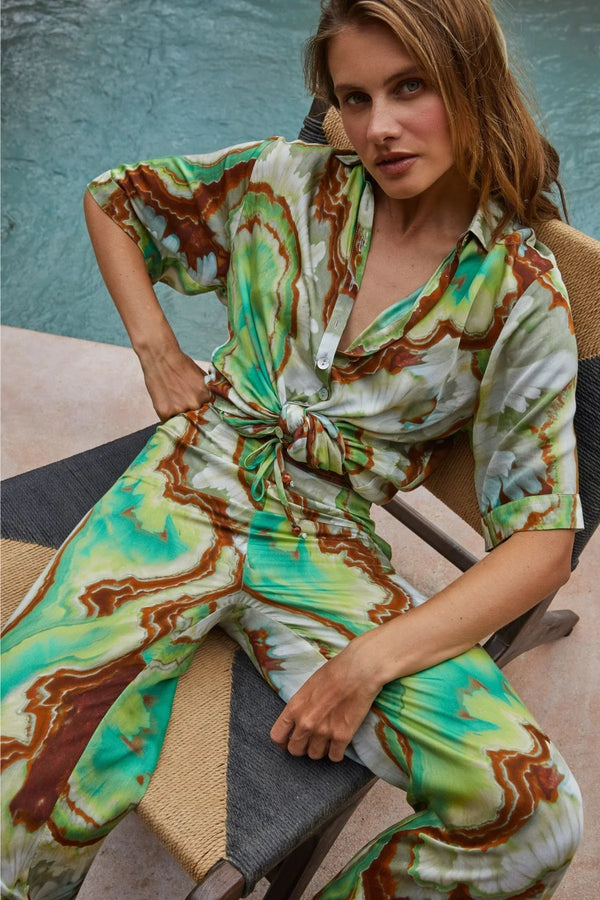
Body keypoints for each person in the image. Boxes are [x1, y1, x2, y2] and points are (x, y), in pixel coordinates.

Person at [1, 0, 585, 897]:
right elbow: (115, 201)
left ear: (472, 82)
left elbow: (541, 544)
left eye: (410, 88)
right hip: (186, 485)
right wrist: (157, 351)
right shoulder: (284, 182)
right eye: (355, 98)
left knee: (534, 818)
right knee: (22, 774)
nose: (378, 127)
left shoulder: (518, 293)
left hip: (324, 546)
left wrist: (369, 662)